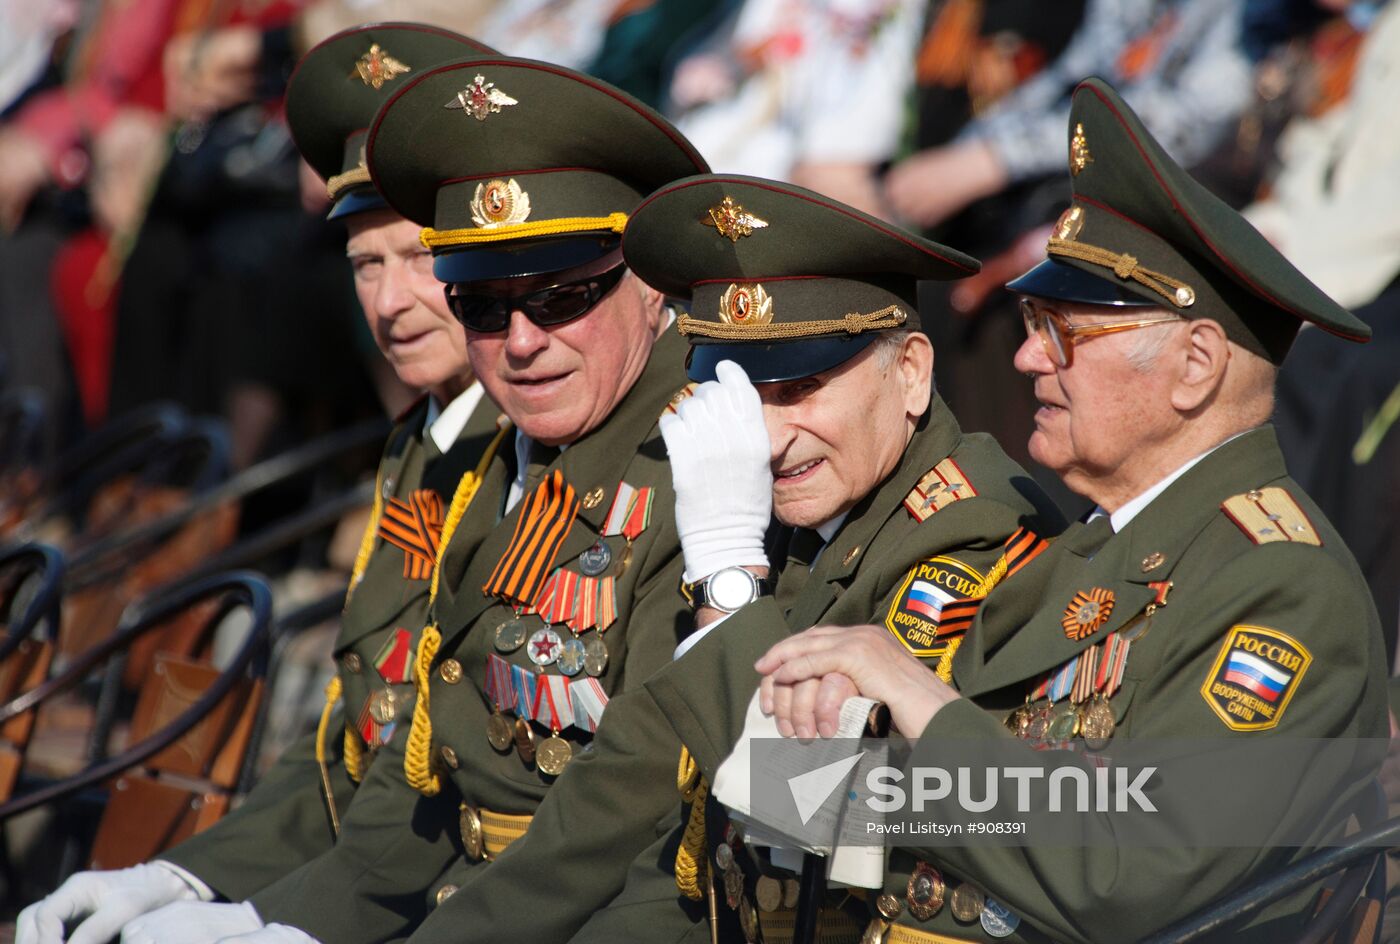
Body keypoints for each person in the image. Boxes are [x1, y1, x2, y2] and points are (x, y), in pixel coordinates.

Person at [758, 77, 1388, 942]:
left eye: (1063, 333)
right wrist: (804, 755)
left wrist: (912, 696)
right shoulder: (1092, 546)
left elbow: (1133, 869)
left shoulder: (1283, 585)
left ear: (1196, 366)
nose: (1025, 359)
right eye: (1031, 324)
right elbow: (872, 812)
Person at [108, 53, 713, 944]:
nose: (522, 341)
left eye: (563, 297)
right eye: (483, 307)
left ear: (652, 283)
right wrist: (217, 897)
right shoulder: (494, 450)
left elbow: (648, 830)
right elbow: (395, 763)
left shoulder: (698, 467)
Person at [387, 172, 1066, 944]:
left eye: (802, 388)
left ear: (910, 372)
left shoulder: (972, 536)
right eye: (738, 398)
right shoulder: (799, 517)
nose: (767, 441)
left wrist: (727, 584)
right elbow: (644, 798)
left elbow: (810, 811)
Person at [15, 22, 502, 944]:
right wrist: (181, 878)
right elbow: (353, 753)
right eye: (366, 264)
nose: (389, 303)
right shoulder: (427, 443)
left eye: (421, 259)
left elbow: (572, 814)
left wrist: (281, 921)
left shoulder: (551, 458)